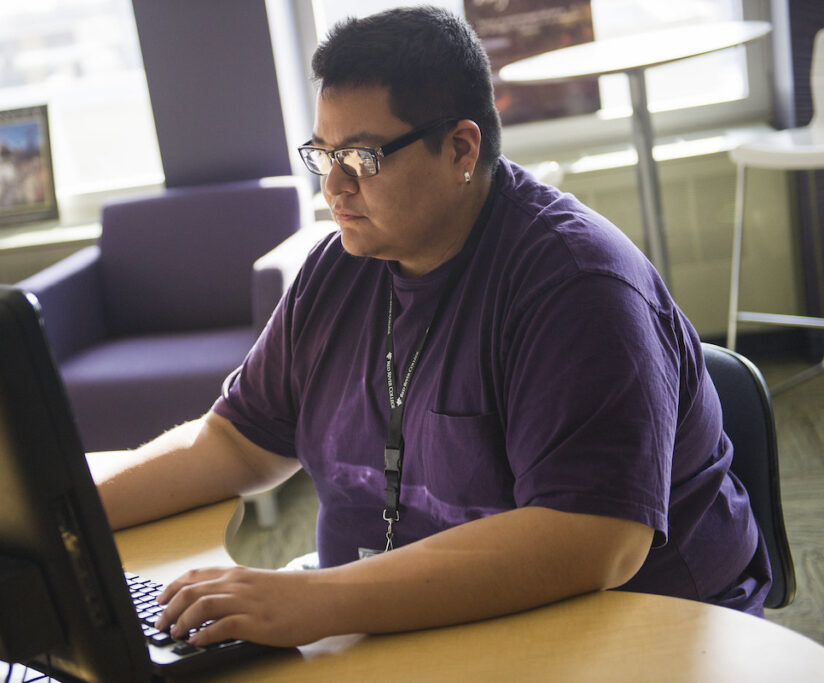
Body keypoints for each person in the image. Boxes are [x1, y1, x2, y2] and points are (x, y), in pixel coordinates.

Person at [87, 6, 770, 649]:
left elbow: (593, 542)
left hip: (633, 627)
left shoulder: (578, 285)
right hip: (408, 620)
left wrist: (315, 599)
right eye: (322, 154)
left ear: (460, 148)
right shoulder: (338, 268)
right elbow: (235, 445)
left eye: (361, 157)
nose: (334, 186)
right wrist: (69, 514)